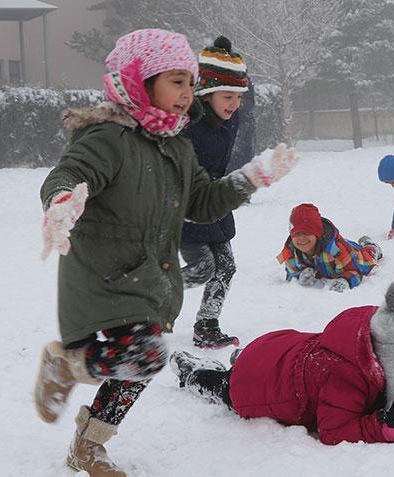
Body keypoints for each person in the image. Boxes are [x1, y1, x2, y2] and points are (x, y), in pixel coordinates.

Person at [32, 29, 297, 477]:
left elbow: (202, 203)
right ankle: (66, 363)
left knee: (141, 364)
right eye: (177, 81)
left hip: (149, 278)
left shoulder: (175, 144)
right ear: (139, 79)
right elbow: (70, 173)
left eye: (190, 82)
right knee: (147, 355)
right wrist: (62, 202)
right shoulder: (107, 138)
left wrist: (251, 176)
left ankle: (88, 446)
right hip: (104, 276)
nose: (187, 93)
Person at [169, 272, 394, 445]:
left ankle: (243, 359)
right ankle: (193, 373)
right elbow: (333, 431)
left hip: (278, 348)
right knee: (225, 386)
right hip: (256, 384)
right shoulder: (346, 375)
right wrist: (378, 427)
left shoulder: (373, 338)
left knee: (255, 363)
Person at [181, 36, 250, 349]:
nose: (234, 103)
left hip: (216, 200)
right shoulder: (186, 120)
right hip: (185, 205)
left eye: (238, 96)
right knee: (200, 268)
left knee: (226, 265)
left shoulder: (230, 117)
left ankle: (207, 324)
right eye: (227, 95)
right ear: (206, 93)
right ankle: (147, 299)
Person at [277, 203, 382, 292]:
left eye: (306, 233)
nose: (301, 238)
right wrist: (299, 276)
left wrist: (345, 280)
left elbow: (354, 272)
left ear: (317, 233)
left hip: (353, 255)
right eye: (296, 234)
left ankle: (370, 245)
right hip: (337, 253)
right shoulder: (290, 251)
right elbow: (291, 274)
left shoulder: (336, 250)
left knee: (368, 258)